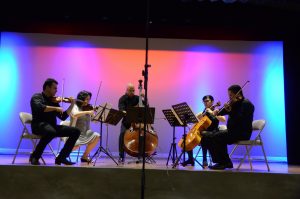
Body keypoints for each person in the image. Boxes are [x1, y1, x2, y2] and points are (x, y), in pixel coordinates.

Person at [30, 78, 81, 165]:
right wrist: (56, 108)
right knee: (51, 132)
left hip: (52, 127)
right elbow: (41, 108)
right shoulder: (36, 97)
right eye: (55, 88)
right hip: (38, 125)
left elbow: (63, 117)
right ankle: (35, 156)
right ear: (47, 87)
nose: (56, 90)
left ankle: (61, 158)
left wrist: (72, 104)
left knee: (76, 131)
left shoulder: (53, 101)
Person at [207, 84, 255, 170]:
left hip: (242, 133)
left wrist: (230, 111)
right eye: (229, 95)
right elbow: (225, 111)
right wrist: (218, 111)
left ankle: (224, 162)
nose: (229, 97)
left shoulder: (247, 104)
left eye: (230, 95)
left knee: (217, 137)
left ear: (238, 94)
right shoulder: (235, 104)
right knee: (210, 136)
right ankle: (222, 162)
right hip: (233, 131)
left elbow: (240, 118)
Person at [181, 95, 226, 167]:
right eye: (204, 101)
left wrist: (212, 112)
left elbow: (223, 119)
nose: (205, 103)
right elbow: (196, 120)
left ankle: (204, 159)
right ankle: (190, 159)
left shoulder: (216, 110)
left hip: (213, 133)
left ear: (212, 102)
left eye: (207, 101)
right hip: (203, 132)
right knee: (186, 137)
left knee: (204, 136)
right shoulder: (203, 112)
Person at [69, 90, 100, 162]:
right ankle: (62, 155)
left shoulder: (88, 107)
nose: (88, 101)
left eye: (89, 99)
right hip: (75, 133)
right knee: (76, 146)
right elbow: (75, 114)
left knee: (97, 136)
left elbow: (95, 121)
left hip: (86, 132)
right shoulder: (75, 106)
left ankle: (84, 156)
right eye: (86, 99)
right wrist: (88, 112)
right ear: (81, 99)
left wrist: (94, 115)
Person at [117, 83, 140, 164]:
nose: (132, 92)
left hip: (137, 122)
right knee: (122, 134)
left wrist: (144, 97)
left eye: (133, 90)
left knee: (141, 135)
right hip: (126, 122)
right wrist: (126, 112)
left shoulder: (138, 98)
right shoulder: (122, 99)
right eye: (130, 90)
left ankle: (140, 155)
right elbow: (121, 110)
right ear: (126, 90)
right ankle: (121, 156)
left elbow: (145, 106)